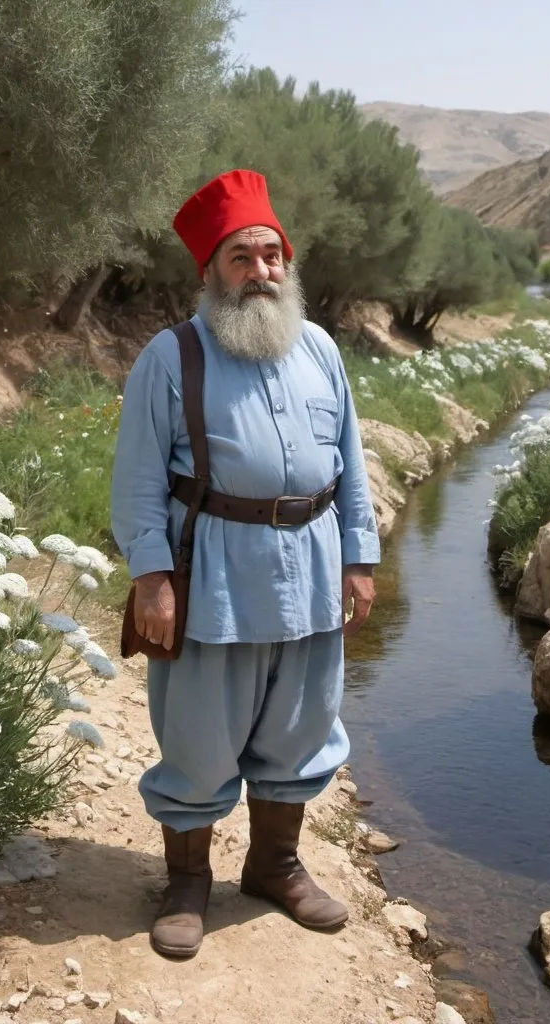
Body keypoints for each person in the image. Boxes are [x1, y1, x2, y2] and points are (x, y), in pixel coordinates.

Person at [110, 168, 379, 959]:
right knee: (198, 735)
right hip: (214, 574)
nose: (261, 272)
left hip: (313, 567)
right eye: (242, 258)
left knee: (300, 728)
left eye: (272, 256)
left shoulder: (321, 349)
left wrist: (359, 559)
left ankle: (274, 866)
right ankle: (188, 882)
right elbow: (135, 482)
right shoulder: (172, 358)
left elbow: (350, 464)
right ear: (209, 272)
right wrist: (152, 578)